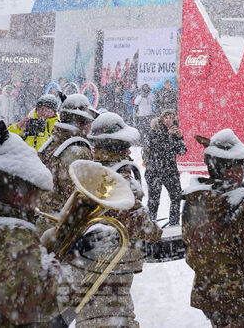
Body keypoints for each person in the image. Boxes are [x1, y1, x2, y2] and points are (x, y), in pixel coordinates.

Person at [0, 123, 68, 325]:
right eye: (36, 196)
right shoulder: (11, 232)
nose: (38, 204)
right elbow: (29, 306)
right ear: (19, 197)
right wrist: (70, 266)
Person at [182, 129, 244, 327]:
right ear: (231, 172)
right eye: (240, 167)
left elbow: (190, 246)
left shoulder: (194, 201)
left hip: (210, 296)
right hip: (243, 299)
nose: (243, 172)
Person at [79, 112, 162, 328]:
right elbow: (139, 223)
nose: (128, 151)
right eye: (125, 146)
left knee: (91, 311)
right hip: (114, 261)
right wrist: (155, 232)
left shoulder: (88, 170)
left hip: (87, 257)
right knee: (117, 316)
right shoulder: (121, 177)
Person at [37, 93, 95, 216]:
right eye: (89, 122)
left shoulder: (53, 141)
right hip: (61, 221)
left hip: (44, 215)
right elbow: (78, 195)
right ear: (80, 124)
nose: (90, 127)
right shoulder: (78, 151)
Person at [145, 109, 187, 226]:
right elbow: (157, 149)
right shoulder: (154, 131)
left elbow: (182, 151)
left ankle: (174, 223)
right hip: (155, 170)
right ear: (161, 119)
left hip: (170, 170)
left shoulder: (174, 132)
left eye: (172, 117)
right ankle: (150, 225)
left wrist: (180, 138)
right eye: (167, 117)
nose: (169, 120)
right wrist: (167, 135)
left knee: (176, 196)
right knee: (154, 200)